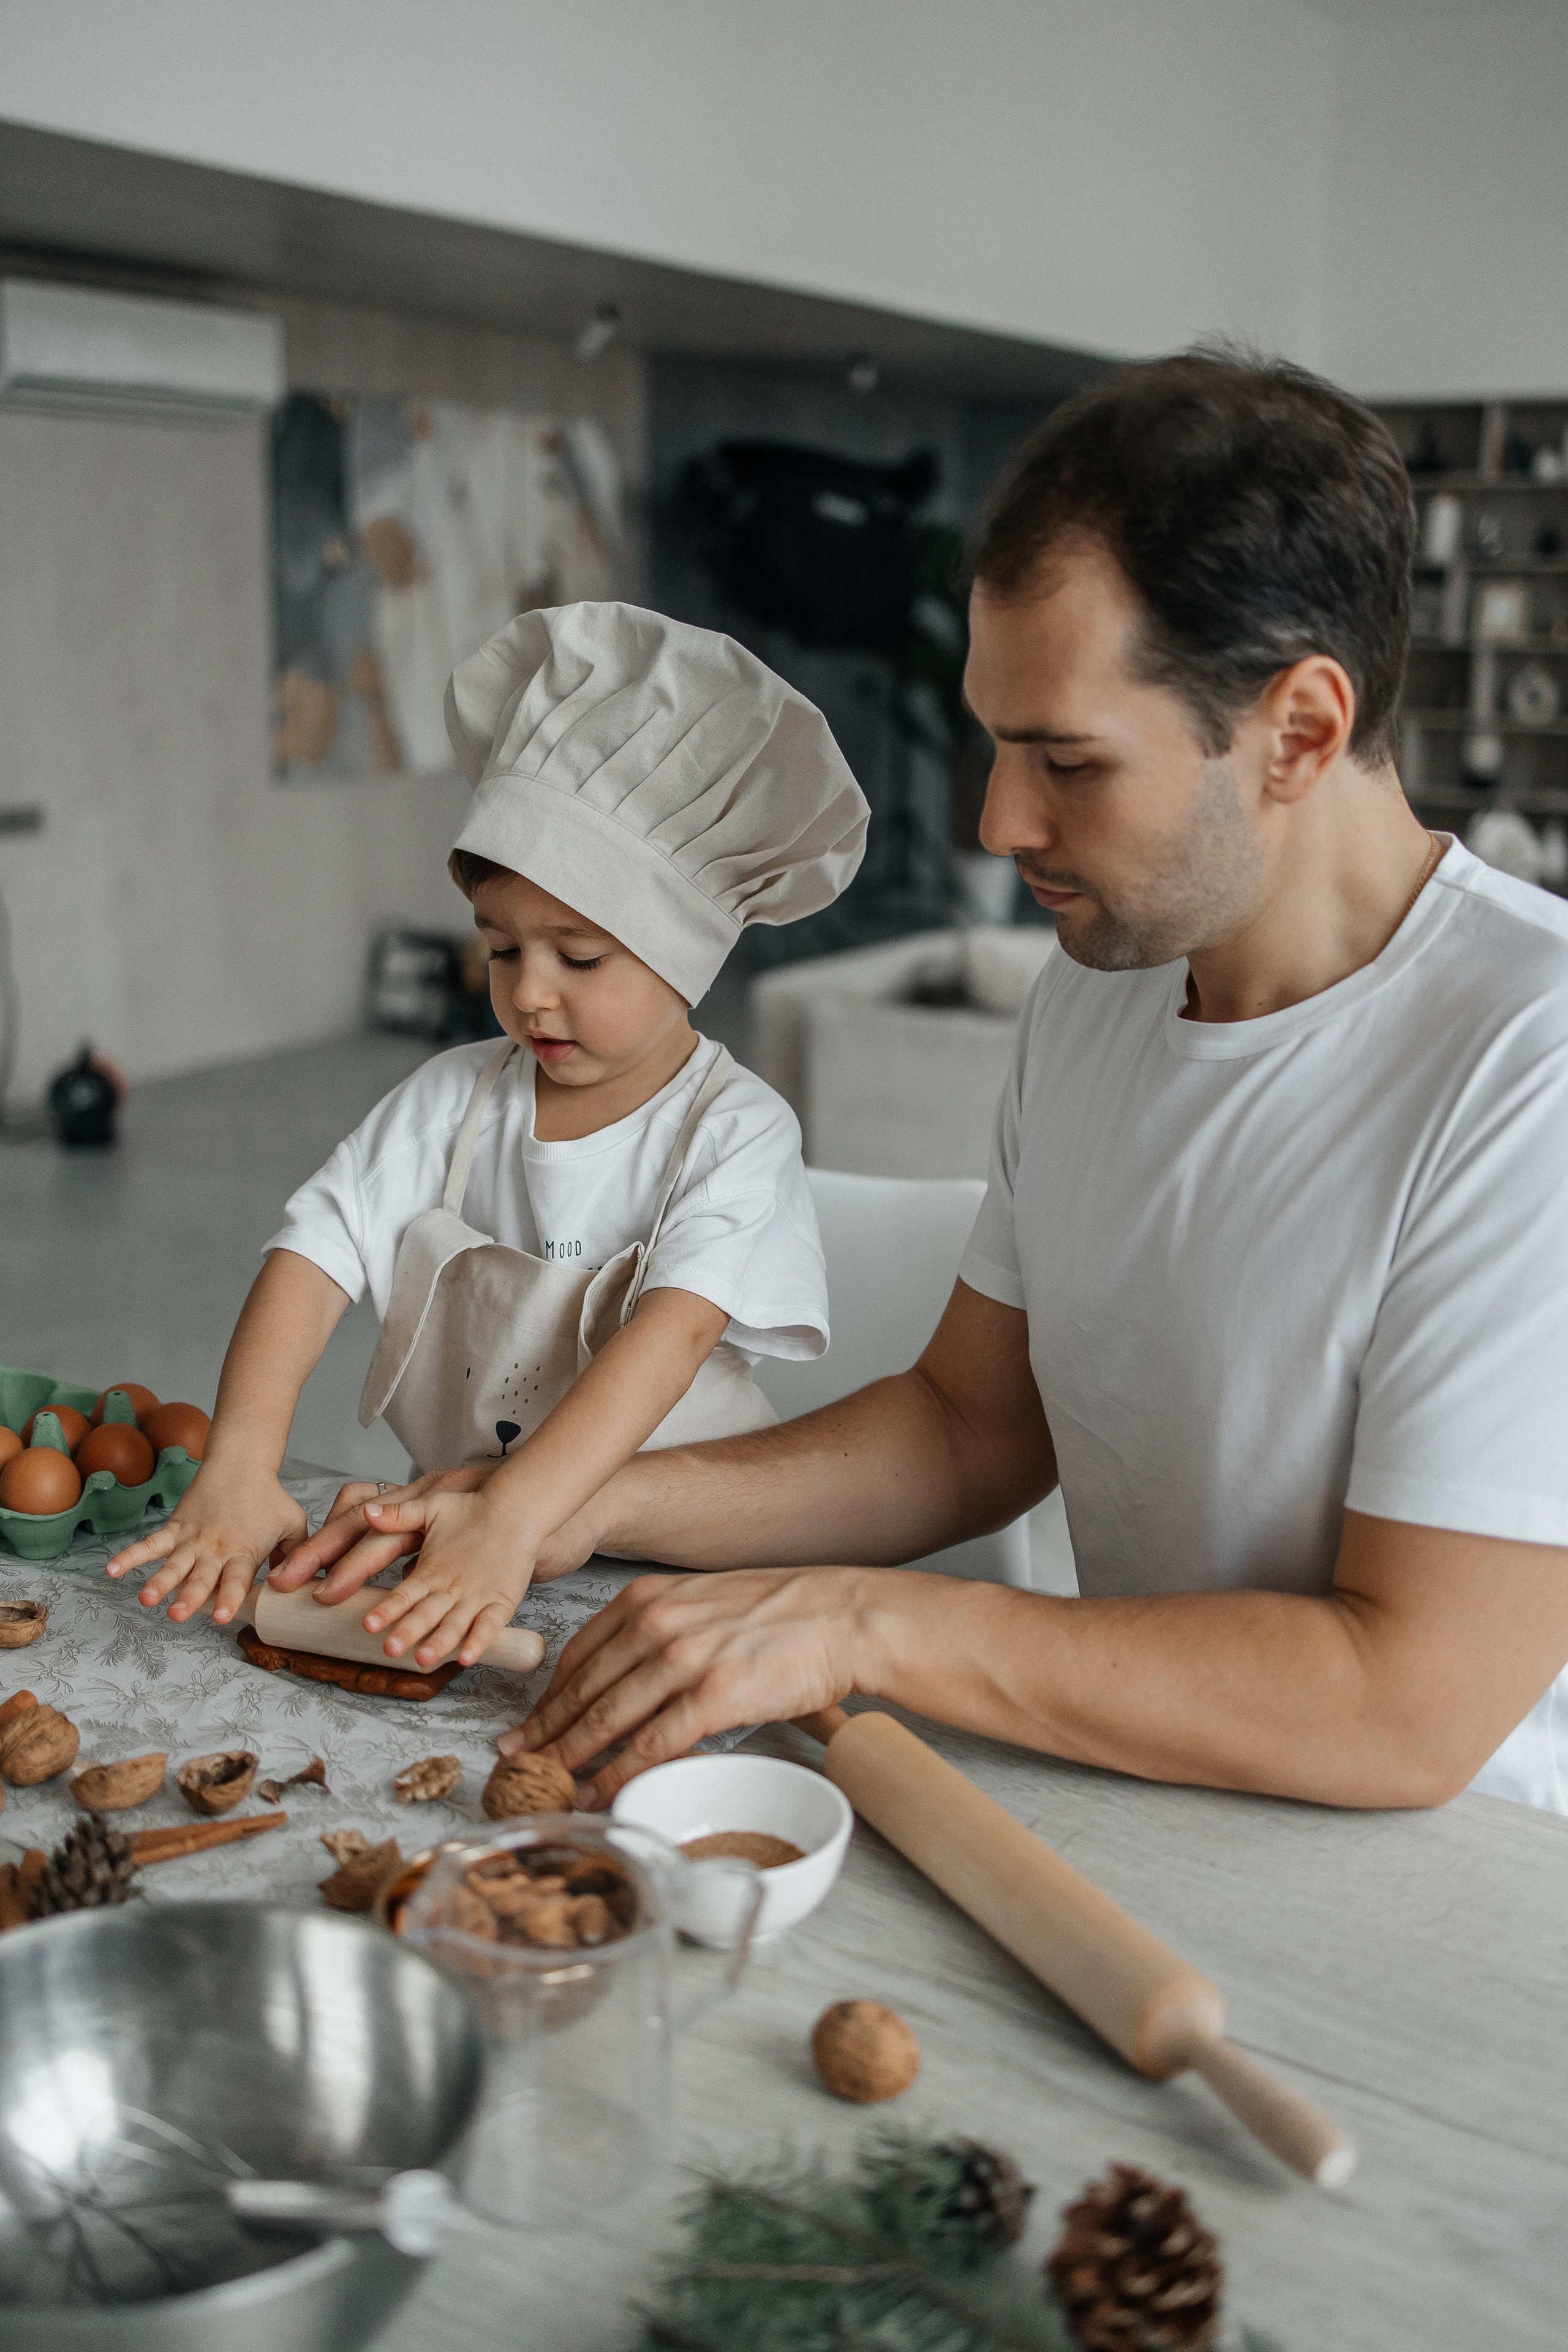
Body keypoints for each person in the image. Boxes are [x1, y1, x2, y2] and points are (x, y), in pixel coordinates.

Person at [288, 353, 1568, 1820]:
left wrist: (849, 1619)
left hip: (1455, 1898)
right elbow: (970, 1425)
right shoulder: (1096, 995)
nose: (997, 819)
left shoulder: (1523, 1061)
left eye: (1066, 762)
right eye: (995, 742)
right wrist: (566, 1505)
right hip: (1142, 1791)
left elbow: (1402, 1712)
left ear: (1299, 730)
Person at [105, 604, 869, 1668]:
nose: (531, 994)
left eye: (580, 957)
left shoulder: (734, 1133)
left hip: (681, 1567)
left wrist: (519, 1516)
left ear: (688, 957)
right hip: (468, 1539)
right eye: (503, 950)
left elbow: (670, 1340)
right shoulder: (454, 1100)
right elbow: (313, 1253)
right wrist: (241, 1462)